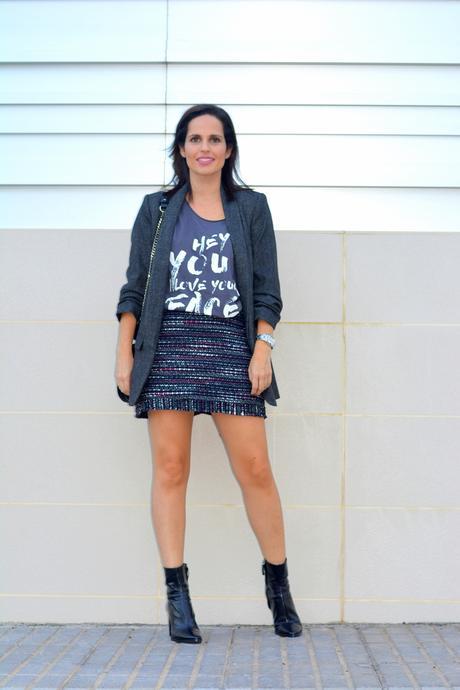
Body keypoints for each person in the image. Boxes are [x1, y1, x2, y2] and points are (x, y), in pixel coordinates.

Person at [115, 104, 302, 643]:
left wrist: (261, 349)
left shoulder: (251, 209)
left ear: (228, 149)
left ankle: (279, 586)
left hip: (229, 348)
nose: (205, 147)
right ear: (181, 149)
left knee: (256, 471)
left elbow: (267, 288)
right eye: (195, 138)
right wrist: (124, 354)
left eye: (215, 139)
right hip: (169, 346)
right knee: (171, 470)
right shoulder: (156, 210)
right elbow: (133, 288)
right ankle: (177, 595)